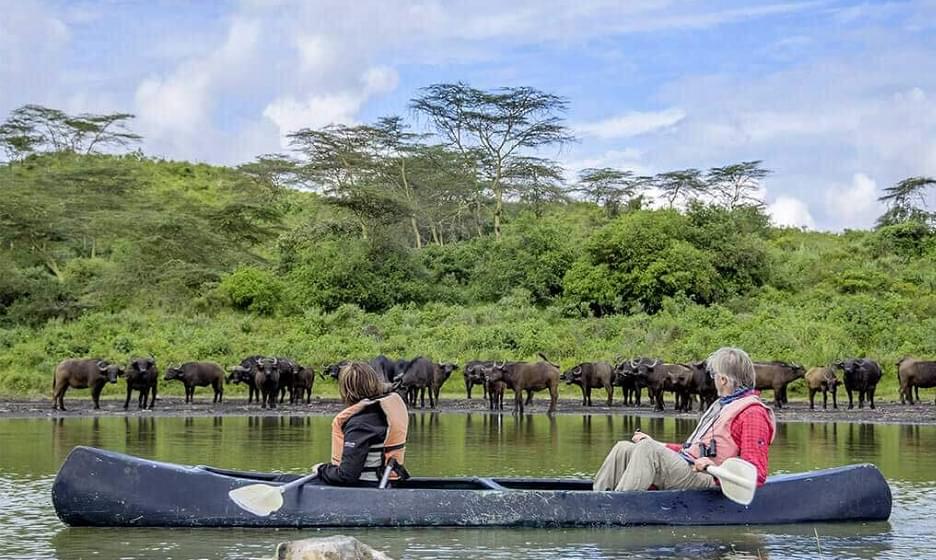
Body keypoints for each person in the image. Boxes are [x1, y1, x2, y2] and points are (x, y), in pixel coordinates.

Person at [593, 347, 775, 492]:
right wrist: (658, 444)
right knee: (623, 448)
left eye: (714, 375)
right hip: (691, 467)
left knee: (647, 449)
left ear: (724, 380)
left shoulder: (753, 414)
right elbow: (692, 451)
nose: (713, 380)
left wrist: (717, 469)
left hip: (711, 480)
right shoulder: (724, 406)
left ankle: (620, 508)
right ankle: (598, 497)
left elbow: (755, 475)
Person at [310, 362, 409, 486]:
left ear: (346, 390)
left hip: (367, 485)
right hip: (389, 483)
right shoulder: (382, 412)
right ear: (375, 382)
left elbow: (346, 476)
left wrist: (321, 469)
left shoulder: (360, 424)